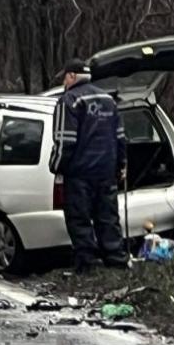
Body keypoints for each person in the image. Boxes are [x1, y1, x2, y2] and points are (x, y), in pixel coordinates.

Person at [50, 59, 128, 273]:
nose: (64, 82)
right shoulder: (108, 101)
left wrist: (56, 166)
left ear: (72, 76)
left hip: (80, 173)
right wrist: (121, 164)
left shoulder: (70, 101)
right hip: (106, 172)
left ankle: (87, 264)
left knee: (79, 219)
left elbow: (65, 140)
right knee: (108, 217)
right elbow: (120, 137)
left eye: (65, 77)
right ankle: (116, 261)